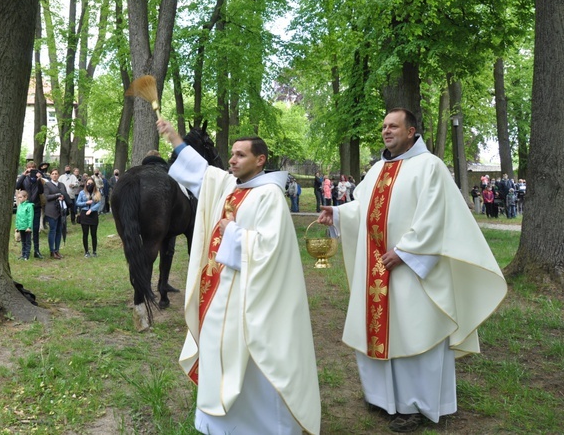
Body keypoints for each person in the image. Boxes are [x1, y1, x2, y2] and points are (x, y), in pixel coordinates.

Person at [318, 108, 506, 433]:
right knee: (383, 330)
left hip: (412, 269)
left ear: (411, 131)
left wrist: (406, 252)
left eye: (394, 126)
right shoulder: (377, 169)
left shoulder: (430, 167)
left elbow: (436, 216)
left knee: (416, 331)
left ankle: (416, 405)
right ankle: (384, 398)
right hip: (378, 269)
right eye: (384, 127)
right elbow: (363, 208)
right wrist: (336, 214)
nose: (387, 131)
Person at [156, 118, 321, 435]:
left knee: (251, 359)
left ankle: (262, 427)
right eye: (231, 154)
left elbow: (270, 249)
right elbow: (201, 173)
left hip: (251, 297)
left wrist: (232, 233)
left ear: (260, 160)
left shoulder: (269, 195)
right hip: (219, 294)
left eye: (241, 155)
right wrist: (175, 137)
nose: (232, 160)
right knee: (220, 353)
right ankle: (219, 425)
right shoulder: (230, 186)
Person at [16, 161, 44, 258]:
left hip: (35, 206)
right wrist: (24, 175)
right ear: (26, 168)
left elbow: (41, 191)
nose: (31, 169)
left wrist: (39, 179)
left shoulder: (38, 179)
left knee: (35, 229)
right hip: (25, 207)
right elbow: (17, 186)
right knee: (24, 229)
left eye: (33, 167)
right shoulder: (24, 178)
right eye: (29, 167)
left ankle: (36, 251)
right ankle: (24, 252)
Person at [43, 169, 68, 259]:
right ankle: (52, 250)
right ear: (50, 176)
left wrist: (63, 197)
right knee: (52, 230)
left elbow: (65, 194)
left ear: (58, 175)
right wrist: (57, 195)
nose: (54, 175)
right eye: (53, 174)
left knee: (59, 231)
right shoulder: (47, 184)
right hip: (51, 210)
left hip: (60, 210)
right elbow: (47, 197)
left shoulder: (62, 185)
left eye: (56, 174)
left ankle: (57, 250)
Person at [75, 177, 102, 257]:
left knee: (94, 234)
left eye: (91, 183)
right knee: (85, 234)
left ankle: (94, 251)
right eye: (88, 183)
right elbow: (77, 203)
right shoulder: (82, 193)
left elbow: (99, 203)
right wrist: (86, 203)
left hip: (93, 214)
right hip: (84, 214)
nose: (90, 185)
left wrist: (92, 209)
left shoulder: (97, 193)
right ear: (86, 184)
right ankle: (86, 252)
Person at [15, 190, 34, 260]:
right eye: (18, 197)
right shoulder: (19, 206)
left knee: (27, 241)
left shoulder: (29, 206)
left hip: (26, 227)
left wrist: (29, 226)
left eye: (20, 197)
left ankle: (27, 255)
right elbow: (17, 216)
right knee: (23, 241)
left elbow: (30, 217)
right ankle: (23, 254)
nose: (19, 199)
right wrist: (17, 226)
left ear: (25, 197)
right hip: (21, 227)